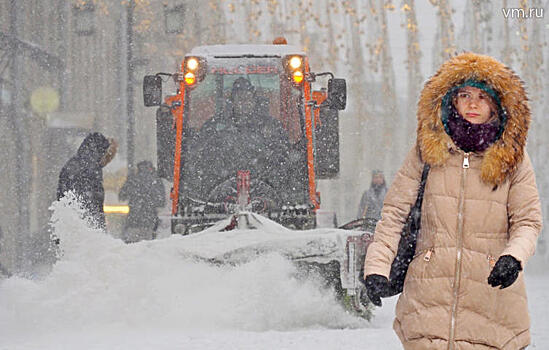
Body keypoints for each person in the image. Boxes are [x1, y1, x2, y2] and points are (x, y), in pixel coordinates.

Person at [363, 52, 542, 350]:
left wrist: (513, 257)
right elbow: (394, 214)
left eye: (482, 97)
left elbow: (528, 221)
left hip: (492, 306)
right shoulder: (427, 152)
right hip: (427, 308)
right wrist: (376, 268)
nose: (473, 104)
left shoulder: (514, 160)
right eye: (464, 94)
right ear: (451, 100)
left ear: (497, 105)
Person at [57, 132, 117, 230]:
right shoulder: (93, 168)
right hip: (86, 226)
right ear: (101, 151)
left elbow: (60, 195)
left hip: (69, 223)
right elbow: (96, 199)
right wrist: (100, 227)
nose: (105, 160)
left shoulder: (70, 164)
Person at [118, 160, 166, 243]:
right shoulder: (156, 181)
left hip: (133, 219)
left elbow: (122, 196)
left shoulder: (133, 179)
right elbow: (161, 202)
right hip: (150, 221)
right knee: (148, 248)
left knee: (131, 246)